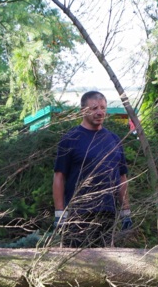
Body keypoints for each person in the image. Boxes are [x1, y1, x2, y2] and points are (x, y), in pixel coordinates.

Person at [52, 91, 130, 248]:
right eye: (94, 108)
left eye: (103, 107)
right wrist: (60, 213)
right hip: (78, 214)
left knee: (107, 264)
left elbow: (122, 177)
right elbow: (59, 177)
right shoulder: (70, 139)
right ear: (83, 111)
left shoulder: (114, 139)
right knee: (77, 265)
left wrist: (126, 211)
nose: (100, 112)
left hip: (108, 213)